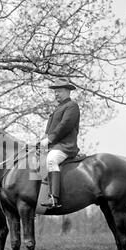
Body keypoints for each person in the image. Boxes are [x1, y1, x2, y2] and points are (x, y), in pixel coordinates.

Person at [40, 78, 80, 208]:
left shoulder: (72, 106)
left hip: (65, 146)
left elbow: (64, 126)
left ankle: (53, 198)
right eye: (55, 92)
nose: (56, 94)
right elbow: (49, 129)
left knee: (51, 160)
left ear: (68, 91)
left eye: (59, 91)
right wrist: (43, 141)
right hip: (54, 145)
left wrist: (50, 139)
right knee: (32, 161)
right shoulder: (58, 108)